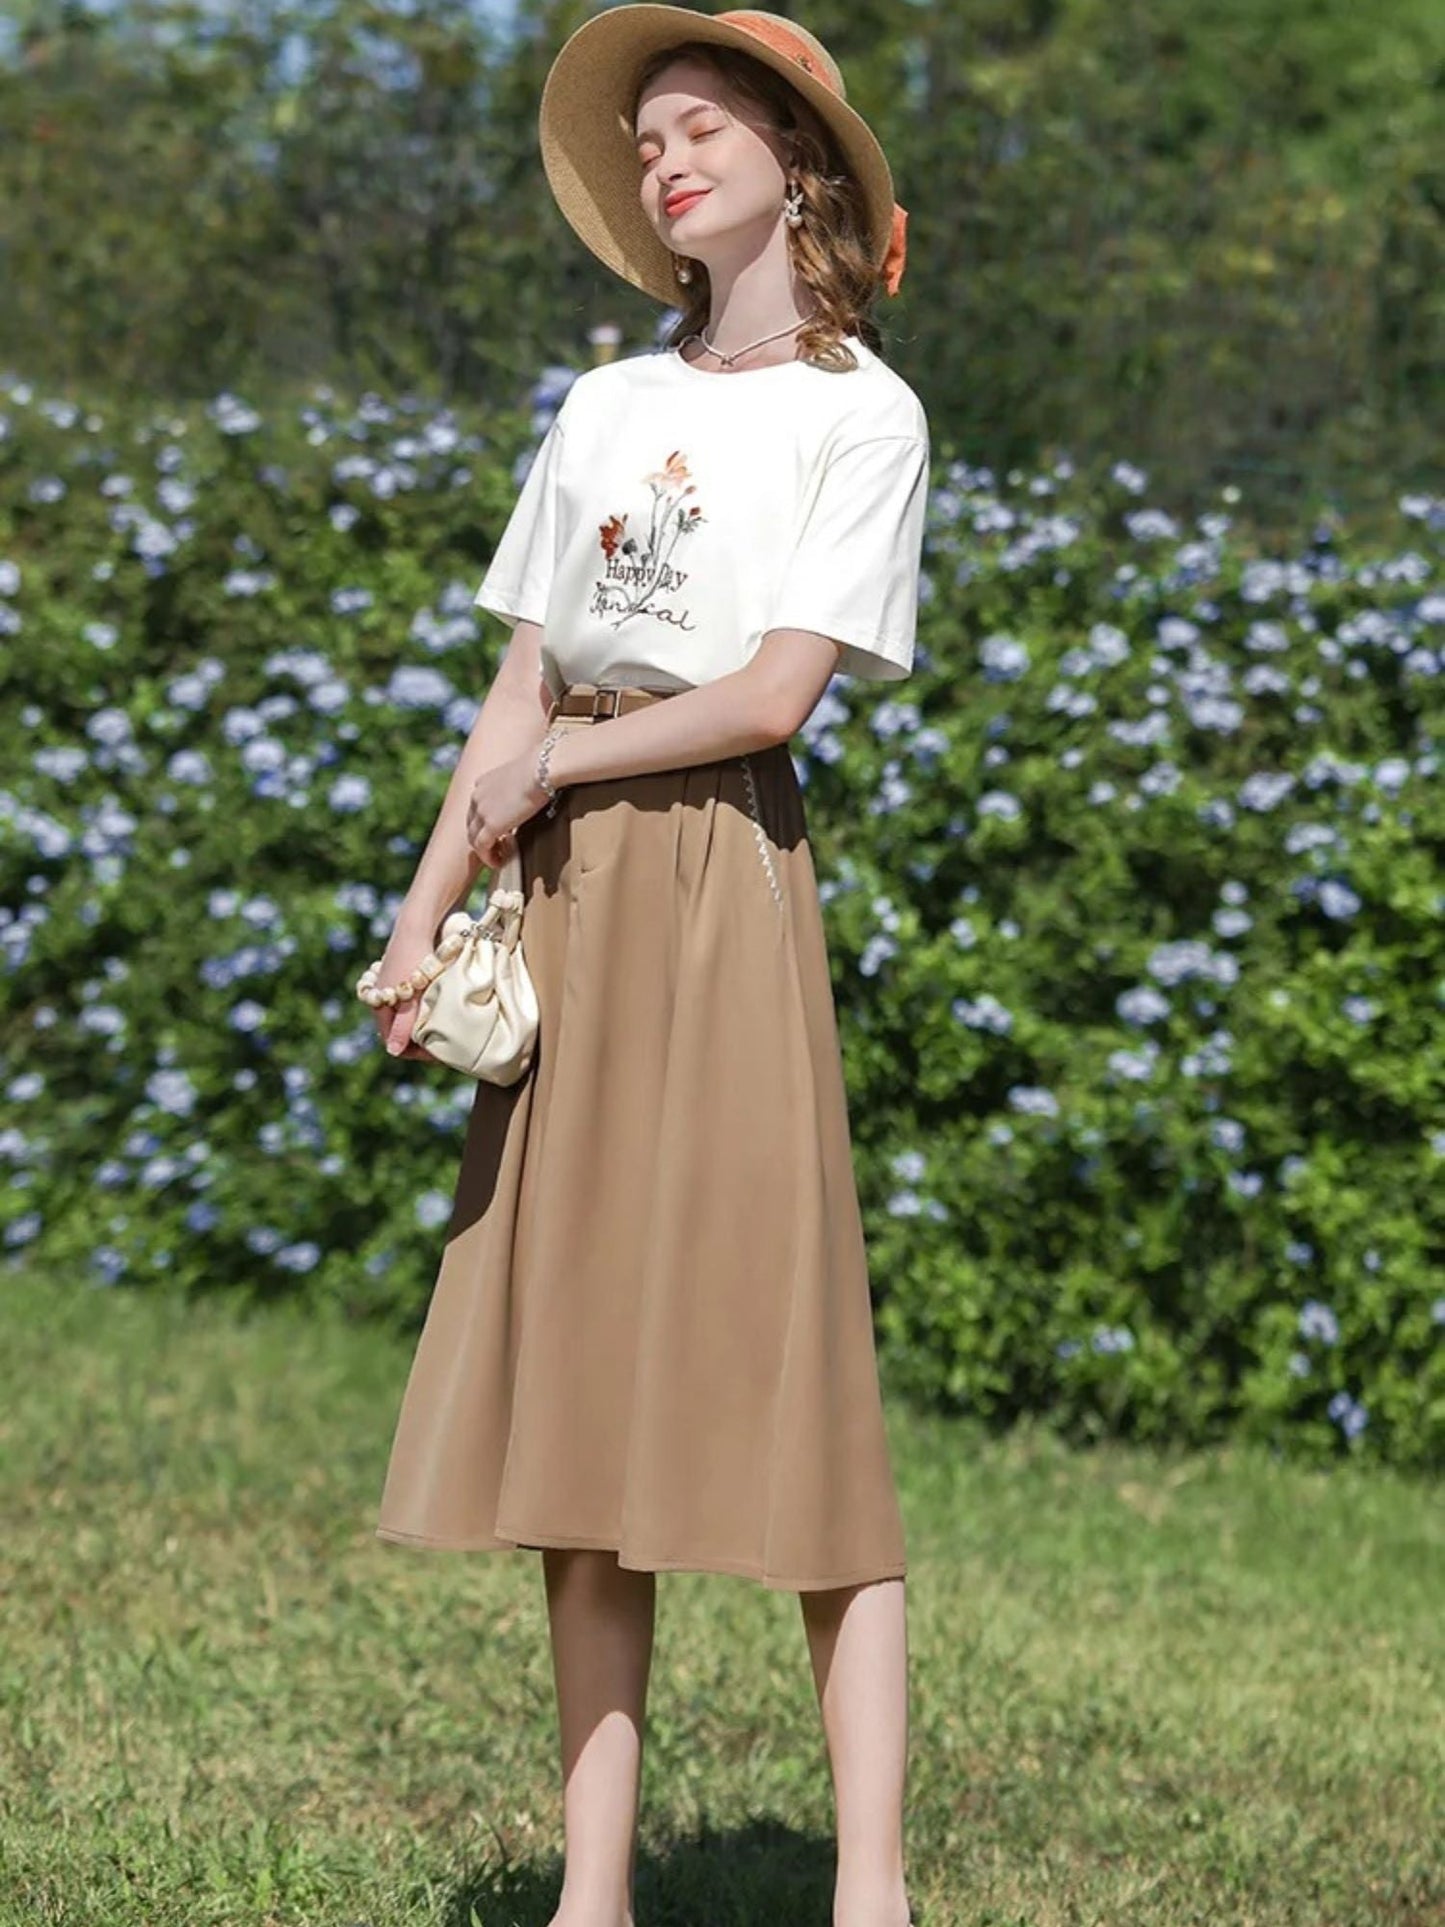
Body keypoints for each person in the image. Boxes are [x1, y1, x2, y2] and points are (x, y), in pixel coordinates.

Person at [366, 10, 927, 1926]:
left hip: (715, 880)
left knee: (789, 1374)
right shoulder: (604, 403)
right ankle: (589, 1898)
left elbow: (773, 696)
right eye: (648, 141)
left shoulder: (861, 413)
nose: (665, 160)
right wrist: (422, 909)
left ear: (798, 162)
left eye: (701, 129)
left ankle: (870, 1894)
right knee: (583, 1387)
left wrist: (554, 773)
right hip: (563, 886)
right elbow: (518, 680)